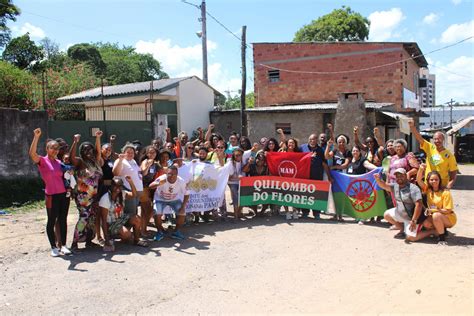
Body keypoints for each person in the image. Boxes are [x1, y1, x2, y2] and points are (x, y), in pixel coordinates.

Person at [29, 128, 71, 257]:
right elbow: (32, 154)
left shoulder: (60, 163)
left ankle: (63, 245)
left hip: (63, 195)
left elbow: (65, 178)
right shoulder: (42, 161)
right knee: (51, 220)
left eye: (57, 148)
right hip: (51, 195)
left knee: (63, 219)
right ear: (47, 149)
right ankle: (53, 247)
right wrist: (36, 137)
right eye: (52, 148)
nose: (55, 150)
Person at [69, 132, 104, 251]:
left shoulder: (96, 162)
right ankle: (74, 243)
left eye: (90, 149)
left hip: (94, 196)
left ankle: (89, 241)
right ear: (81, 152)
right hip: (83, 197)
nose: (87, 151)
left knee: (92, 219)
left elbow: (98, 152)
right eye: (84, 150)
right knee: (83, 218)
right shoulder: (80, 162)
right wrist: (75, 142)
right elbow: (71, 158)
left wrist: (98, 138)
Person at [407, 164, 456, 244]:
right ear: (428, 181)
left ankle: (442, 239)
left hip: (448, 217)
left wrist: (433, 210)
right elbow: (419, 180)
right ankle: (438, 231)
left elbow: (448, 210)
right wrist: (421, 169)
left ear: (439, 180)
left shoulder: (445, 192)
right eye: (431, 180)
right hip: (434, 215)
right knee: (426, 222)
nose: (434, 181)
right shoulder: (428, 190)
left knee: (436, 215)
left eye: (436, 179)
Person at [99, 176, 148, 251]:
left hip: (121, 219)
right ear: (111, 186)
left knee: (137, 219)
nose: (117, 188)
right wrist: (106, 239)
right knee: (127, 235)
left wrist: (131, 182)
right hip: (111, 224)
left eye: (120, 186)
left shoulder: (122, 194)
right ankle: (115, 237)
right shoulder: (105, 199)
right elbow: (103, 221)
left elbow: (134, 195)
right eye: (115, 185)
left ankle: (136, 240)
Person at [374, 168, 425, 239]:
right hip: (400, 213)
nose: (399, 178)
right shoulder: (395, 186)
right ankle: (402, 229)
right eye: (397, 176)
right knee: (386, 214)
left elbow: (418, 205)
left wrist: (414, 220)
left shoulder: (413, 188)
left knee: (410, 238)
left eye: (401, 176)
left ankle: (432, 232)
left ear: (406, 176)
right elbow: (384, 186)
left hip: (411, 217)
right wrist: (378, 180)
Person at [409, 119, 458, 189]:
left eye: (439, 139)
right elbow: (419, 138)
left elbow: (453, 171)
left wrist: (450, 184)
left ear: (443, 140)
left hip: (442, 186)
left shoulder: (449, 155)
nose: (437, 141)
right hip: (428, 184)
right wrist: (412, 127)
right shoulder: (429, 148)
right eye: (435, 139)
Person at [149, 165, 190, 241]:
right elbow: (150, 186)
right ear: (166, 173)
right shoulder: (162, 178)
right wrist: (158, 183)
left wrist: (183, 206)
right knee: (157, 213)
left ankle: (176, 232)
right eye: (169, 174)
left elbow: (187, 194)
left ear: (177, 175)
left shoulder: (181, 181)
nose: (171, 176)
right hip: (160, 199)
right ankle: (159, 232)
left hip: (174, 199)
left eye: (174, 174)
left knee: (182, 213)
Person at [300, 133, 332, 219]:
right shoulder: (302, 148)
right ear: (308, 140)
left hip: (317, 175)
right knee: (305, 194)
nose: (312, 141)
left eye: (314, 139)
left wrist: (329, 176)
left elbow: (325, 164)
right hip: (305, 176)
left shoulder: (321, 150)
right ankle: (305, 212)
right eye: (311, 139)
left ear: (317, 140)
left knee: (317, 195)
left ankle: (316, 213)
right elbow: (297, 159)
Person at [112, 143, 143, 217]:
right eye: (128, 152)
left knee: (134, 213)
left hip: (137, 192)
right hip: (129, 191)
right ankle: (127, 228)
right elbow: (115, 173)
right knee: (130, 214)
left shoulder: (134, 161)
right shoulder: (121, 161)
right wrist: (120, 160)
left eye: (132, 152)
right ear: (123, 153)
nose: (130, 154)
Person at [326, 134, 352, 221]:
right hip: (334, 176)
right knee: (334, 195)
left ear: (345, 142)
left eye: (343, 142)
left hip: (342, 176)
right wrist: (328, 146)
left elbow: (345, 165)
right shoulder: (335, 150)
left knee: (341, 195)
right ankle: (335, 214)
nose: (341, 143)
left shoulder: (348, 152)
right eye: (340, 142)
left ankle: (340, 215)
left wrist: (334, 167)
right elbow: (327, 156)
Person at [140, 146, 161, 236]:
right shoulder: (145, 161)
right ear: (147, 153)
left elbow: (163, 169)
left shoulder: (156, 164)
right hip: (143, 188)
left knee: (144, 211)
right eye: (150, 152)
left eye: (154, 152)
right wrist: (148, 165)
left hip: (150, 188)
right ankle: (143, 230)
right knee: (148, 210)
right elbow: (143, 173)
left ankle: (142, 229)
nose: (152, 154)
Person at [243, 150, 270, 216]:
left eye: (262, 160)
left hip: (263, 188)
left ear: (264, 161)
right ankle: (255, 212)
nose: (260, 161)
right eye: (258, 159)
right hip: (253, 188)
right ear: (256, 159)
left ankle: (262, 211)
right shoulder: (252, 166)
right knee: (252, 197)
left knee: (268, 195)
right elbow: (244, 170)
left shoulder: (266, 168)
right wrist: (249, 163)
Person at [226, 148, 245, 219]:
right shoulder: (230, 163)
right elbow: (228, 177)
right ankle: (236, 215)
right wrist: (237, 178)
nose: (238, 157)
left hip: (242, 182)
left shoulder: (244, 161)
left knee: (243, 197)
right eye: (236, 155)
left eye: (239, 155)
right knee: (235, 196)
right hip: (232, 182)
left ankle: (239, 212)